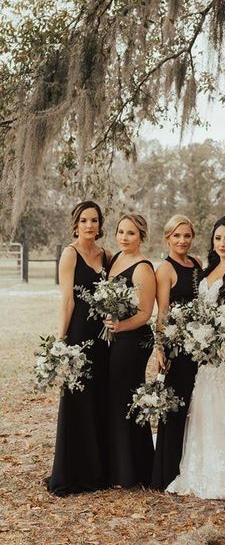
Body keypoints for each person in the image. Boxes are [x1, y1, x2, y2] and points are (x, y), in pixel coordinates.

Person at [167, 215, 225, 501]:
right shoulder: (208, 270)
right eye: (218, 238)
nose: (222, 243)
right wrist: (204, 338)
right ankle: (204, 469)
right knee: (206, 403)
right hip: (209, 350)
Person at [47, 200, 110, 496]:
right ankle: (72, 472)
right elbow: (67, 301)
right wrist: (61, 343)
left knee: (98, 399)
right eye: (84, 220)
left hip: (103, 338)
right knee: (76, 402)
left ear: (100, 224)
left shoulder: (106, 255)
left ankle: (97, 470)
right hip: (78, 337)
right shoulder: (69, 255)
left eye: (94, 220)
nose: (89, 225)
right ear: (75, 224)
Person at [151, 215, 203, 489]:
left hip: (200, 344)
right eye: (177, 236)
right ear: (167, 238)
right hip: (176, 345)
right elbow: (162, 312)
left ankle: (191, 464)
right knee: (175, 405)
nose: (182, 241)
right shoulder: (165, 269)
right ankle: (166, 470)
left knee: (198, 403)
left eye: (187, 236)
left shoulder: (197, 264)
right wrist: (160, 348)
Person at [105, 213, 156, 488]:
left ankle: (133, 469)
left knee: (126, 398)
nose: (124, 237)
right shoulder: (115, 259)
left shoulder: (142, 268)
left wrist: (120, 326)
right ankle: (116, 465)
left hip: (133, 340)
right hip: (114, 338)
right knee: (114, 398)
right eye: (121, 232)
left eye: (131, 233)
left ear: (142, 237)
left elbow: (146, 313)